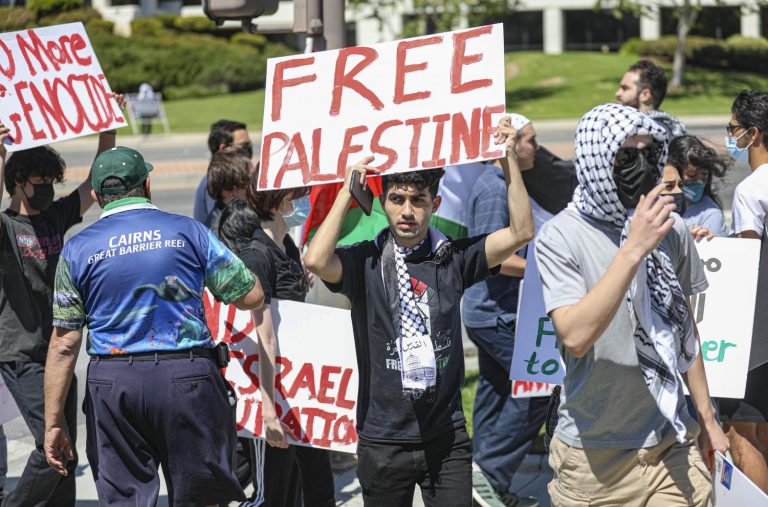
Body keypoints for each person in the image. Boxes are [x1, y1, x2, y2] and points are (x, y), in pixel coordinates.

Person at [303, 116, 534, 506]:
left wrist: (509, 160)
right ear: (384, 202)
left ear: (435, 204)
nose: (407, 211)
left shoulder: (454, 257)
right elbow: (315, 259)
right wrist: (346, 192)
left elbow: (521, 233)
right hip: (383, 438)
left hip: (445, 438)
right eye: (397, 200)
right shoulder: (367, 262)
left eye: (418, 200)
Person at [43, 146, 265, 505]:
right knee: (202, 497)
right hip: (188, 379)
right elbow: (251, 296)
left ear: (97, 197)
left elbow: (64, 344)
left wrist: (54, 422)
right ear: (148, 185)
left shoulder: (76, 250)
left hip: (114, 387)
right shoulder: (189, 232)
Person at [536, 103, 728, 506]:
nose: (639, 166)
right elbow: (575, 336)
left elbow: (683, 329)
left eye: (647, 153)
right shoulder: (560, 236)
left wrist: (708, 419)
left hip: (669, 443)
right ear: (596, 160)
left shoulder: (671, 228)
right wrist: (634, 249)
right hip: (593, 459)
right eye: (626, 155)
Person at [0, 95, 124, 507]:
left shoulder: (53, 216)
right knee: (48, 444)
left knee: (65, 450)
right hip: (21, 351)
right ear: (18, 181)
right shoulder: (5, 225)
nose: (50, 190)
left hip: (59, 349)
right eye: (41, 182)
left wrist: (108, 128)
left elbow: (91, 188)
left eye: (53, 181)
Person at [219, 178, 335, 507]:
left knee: (318, 489)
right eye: (298, 194)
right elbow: (264, 338)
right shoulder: (257, 256)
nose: (304, 201)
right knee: (276, 495)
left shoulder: (286, 248)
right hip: (276, 398)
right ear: (279, 202)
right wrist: (269, 411)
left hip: (302, 393)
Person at [461, 113, 545, 507]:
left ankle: (482, 479)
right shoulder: (495, 189)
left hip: (493, 310)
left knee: (496, 390)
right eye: (529, 139)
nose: (535, 147)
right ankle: (489, 473)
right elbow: (491, 255)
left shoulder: (499, 183)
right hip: (497, 313)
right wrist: (544, 272)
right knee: (538, 389)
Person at [722, 89, 768, 493]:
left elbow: (745, 262)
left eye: (733, 129)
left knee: (744, 430)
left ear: (753, 135)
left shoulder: (751, 190)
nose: (729, 137)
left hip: (759, 337)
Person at [660, 135, 730, 237]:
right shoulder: (656, 205)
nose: (699, 181)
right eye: (692, 175)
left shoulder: (711, 214)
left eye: (704, 175)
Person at [193, 120, 253, 224]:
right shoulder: (218, 182)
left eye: (249, 144)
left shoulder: (233, 178)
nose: (248, 149)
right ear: (224, 148)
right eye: (243, 145)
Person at [616, 60, 687, 140]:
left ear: (645, 95)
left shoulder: (646, 133)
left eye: (625, 88)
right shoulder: (673, 128)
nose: (618, 93)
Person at [205, 149, 251, 236]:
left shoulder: (240, 215)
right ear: (229, 190)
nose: (255, 184)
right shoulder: (221, 232)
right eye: (250, 180)